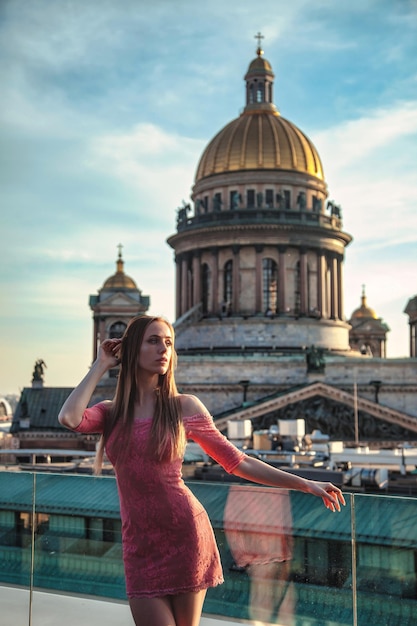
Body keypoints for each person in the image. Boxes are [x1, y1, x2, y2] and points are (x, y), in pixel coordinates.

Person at [58, 315, 345, 626]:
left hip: (186, 534)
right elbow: (69, 418)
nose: (163, 349)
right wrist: (101, 364)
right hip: (139, 544)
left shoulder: (184, 407)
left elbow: (238, 461)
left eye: (168, 342)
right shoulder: (110, 412)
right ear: (131, 350)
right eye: (153, 341)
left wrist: (305, 484)